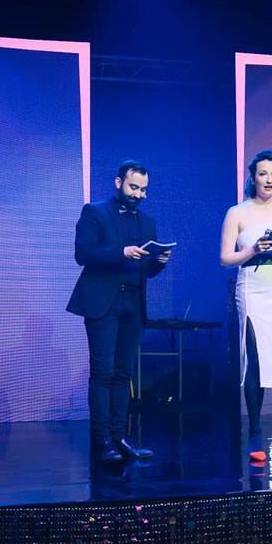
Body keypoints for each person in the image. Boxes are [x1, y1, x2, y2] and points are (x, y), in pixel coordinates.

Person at [67, 161, 171, 466]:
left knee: (124, 373)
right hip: (103, 301)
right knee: (102, 372)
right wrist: (120, 252)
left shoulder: (147, 222)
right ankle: (101, 441)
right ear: (118, 183)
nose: (138, 194)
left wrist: (159, 262)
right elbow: (82, 254)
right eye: (133, 187)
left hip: (133, 303)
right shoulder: (95, 212)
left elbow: (146, 271)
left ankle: (119, 437)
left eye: (143, 190)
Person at [220, 150, 272, 465]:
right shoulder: (237, 212)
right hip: (253, 289)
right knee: (254, 361)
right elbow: (225, 258)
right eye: (263, 174)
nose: (268, 180)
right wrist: (254, 249)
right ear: (253, 178)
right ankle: (255, 432)